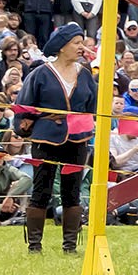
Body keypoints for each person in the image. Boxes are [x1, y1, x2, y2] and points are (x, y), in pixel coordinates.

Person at [15, 23, 96, 254]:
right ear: (62, 47)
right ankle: (34, 246)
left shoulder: (86, 75)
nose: (81, 47)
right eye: (76, 43)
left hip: (78, 138)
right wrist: (23, 126)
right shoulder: (40, 73)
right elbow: (24, 105)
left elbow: (92, 106)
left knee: (72, 191)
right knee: (42, 189)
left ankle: (70, 246)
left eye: (82, 42)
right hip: (46, 137)